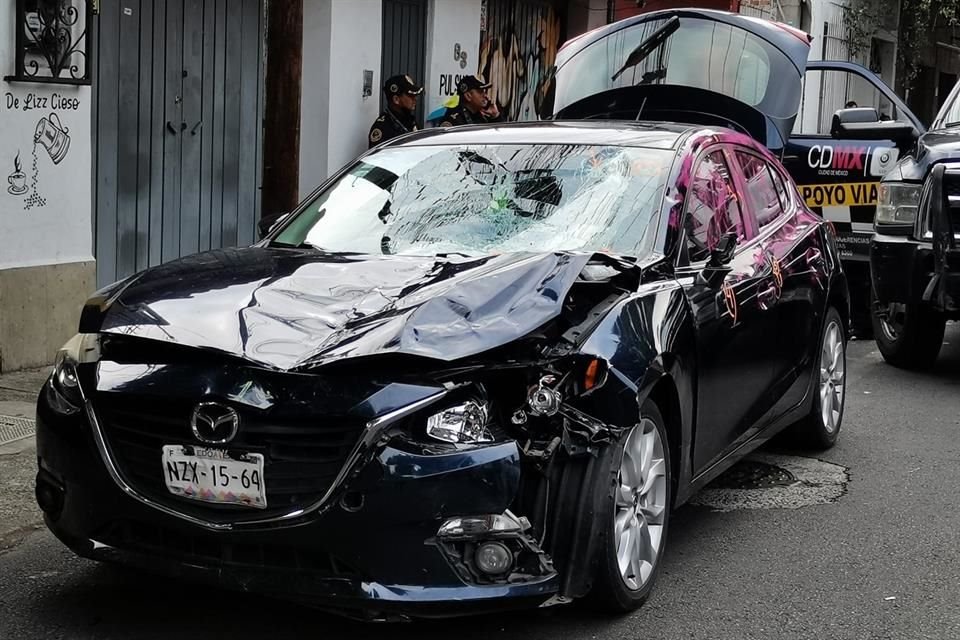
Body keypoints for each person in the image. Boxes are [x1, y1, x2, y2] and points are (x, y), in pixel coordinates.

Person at [369, 74, 423, 148]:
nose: (415, 99)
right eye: (411, 96)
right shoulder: (383, 127)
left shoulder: (409, 120)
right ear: (396, 99)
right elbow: (378, 158)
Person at [438, 75, 505, 127]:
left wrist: (495, 115)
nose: (486, 96)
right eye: (480, 92)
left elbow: (499, 137)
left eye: (484, 92)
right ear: (468, 96)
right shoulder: (454, 120)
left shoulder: (482, 116)